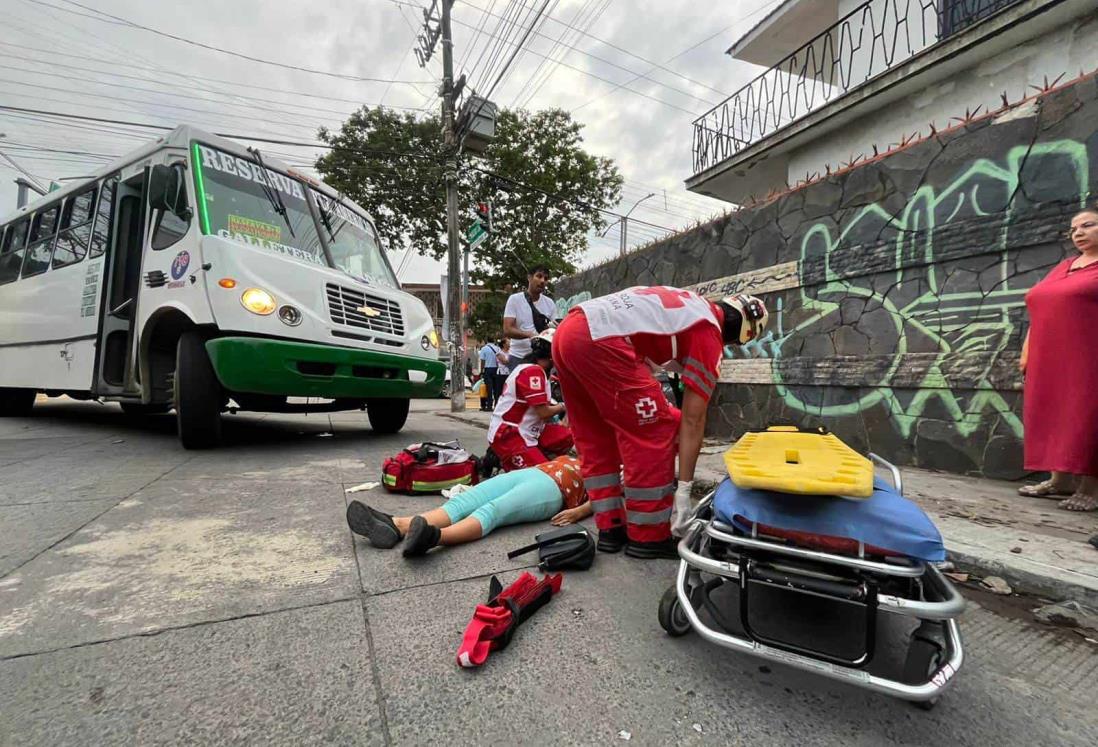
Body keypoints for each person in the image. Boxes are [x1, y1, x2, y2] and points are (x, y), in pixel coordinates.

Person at [553, 286, 768, 559]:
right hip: (601, 340)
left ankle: (611, 528)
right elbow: (693, 420)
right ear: (742, 336)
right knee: (656, 430)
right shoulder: (708, 331)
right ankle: (648, 536)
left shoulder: (692, 306)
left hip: (568, 331)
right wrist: (684, 490)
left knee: (595, 435)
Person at [346, 455, 592, 556]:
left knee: (493, 510)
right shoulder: (591, 441)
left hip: (556, 489)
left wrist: (580, 511)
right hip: (538, 471)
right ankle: (398, 526)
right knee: (467, 500)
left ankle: (434, 537)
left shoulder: (623, 465)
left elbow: (613, 496)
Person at [1017, 206, 1098, 511]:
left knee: (1086, 415)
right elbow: (1041, 307)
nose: (1079, 233)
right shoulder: (1065, 265)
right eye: (1074, 229)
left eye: (1087, 226)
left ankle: (1090, 488)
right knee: (1051, 411)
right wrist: (1028, 348)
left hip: (1088, 355)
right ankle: (1059, 480)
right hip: (1048, 355)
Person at [488, 330, 573, 471]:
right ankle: (516, 464)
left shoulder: (531, 369)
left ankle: (534, 459)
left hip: (526, 431)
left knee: (566, 436)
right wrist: (565, 406)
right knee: (544, 478)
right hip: (511, 435)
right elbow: (543, 413)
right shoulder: (533, 372)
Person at [503, 265, 557, 366]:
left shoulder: (550, 303)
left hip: (542, 359)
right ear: (529, 277)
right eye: (539, 276)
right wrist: (529, 335)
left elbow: (553, 332)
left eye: (546, 278)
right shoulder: (515, 300)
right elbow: (507, 329)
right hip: (518, 357)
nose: (542, 281)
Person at [477, 339, 501, 411]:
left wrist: (481, 371)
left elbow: (483, 361)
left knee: (489, 389)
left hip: (488, 370)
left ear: (486, 341)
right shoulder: (497, 348)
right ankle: (496, 405)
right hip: (496, 370)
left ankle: (489, 406)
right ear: (494, 341)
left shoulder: (484, 348)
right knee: (496, 389)